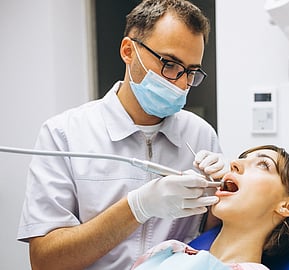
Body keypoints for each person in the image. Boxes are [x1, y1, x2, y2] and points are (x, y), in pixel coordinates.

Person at [16, 1, 228, 269]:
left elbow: (215, 240)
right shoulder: (64, 135)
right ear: (129, 51)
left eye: (191, 71)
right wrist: (136, 207)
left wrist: (223, 192)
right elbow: (45, 260)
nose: (181, 83)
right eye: (170, 64)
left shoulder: (200, 135)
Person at [130, 145, 289, 269]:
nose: (234, 164)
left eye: (263, 165)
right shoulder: (168, 251)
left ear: (287, 206)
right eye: (240, 159)